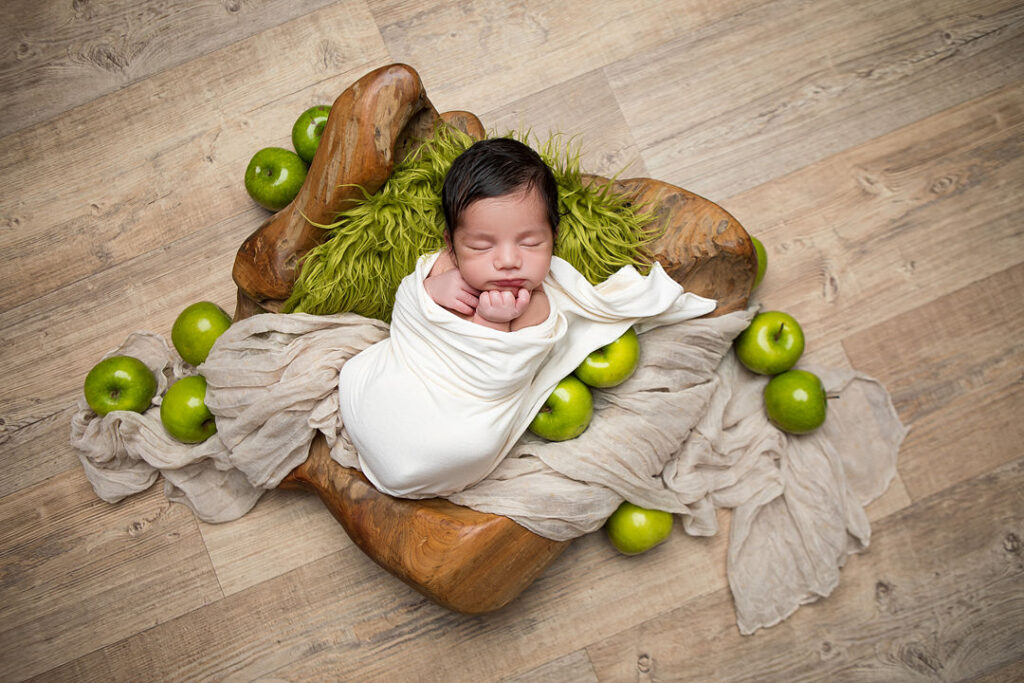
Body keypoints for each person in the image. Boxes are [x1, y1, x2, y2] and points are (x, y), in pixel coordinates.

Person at [338, 137, 716, 499]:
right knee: (363, 374)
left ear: (553, 237)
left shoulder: (536, 305)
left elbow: (498, 375)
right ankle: (374, 420)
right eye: (481, 245)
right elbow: (407, 308)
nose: (507, 260)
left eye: (531, 243)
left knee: (471, 441)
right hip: (403, 378)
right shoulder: (441, 265)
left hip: (452, 424)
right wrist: (430, 292)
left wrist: (494, 322)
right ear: (451, 243)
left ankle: (406, 459)